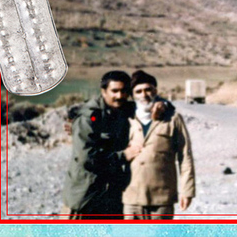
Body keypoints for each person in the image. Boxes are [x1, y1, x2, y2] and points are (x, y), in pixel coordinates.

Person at [61, 70, 171, 219]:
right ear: (104, 91)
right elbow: (87, 158)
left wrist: (163, 105)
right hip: (86, 197)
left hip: (112, 196)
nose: (119, 96)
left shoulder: (124, 109)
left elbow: (152, 105)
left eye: (124, 91)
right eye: (114, 91)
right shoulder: (89, 117)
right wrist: (124, 155)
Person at [122, 70, 195, 220]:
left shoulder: (172, 118)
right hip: (130, 197)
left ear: (155, 91)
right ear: (132, 95)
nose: (144, 95)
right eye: (138, 91)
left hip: (162, 198)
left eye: (148, 89)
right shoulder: (125, 118)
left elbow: (185, 156)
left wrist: (187, 191)